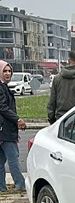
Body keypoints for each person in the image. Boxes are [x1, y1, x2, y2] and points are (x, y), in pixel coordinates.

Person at [0, 60, 27, 192]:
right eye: (4, 71)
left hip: (3, 130)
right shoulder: (0, 87)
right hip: (5, 130)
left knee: (1, 160)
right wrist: (18, 119)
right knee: (13, 157)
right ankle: (20, 184)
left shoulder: (4, 86)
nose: (7, 73)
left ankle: (1, 187)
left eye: (9, 71)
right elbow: (3, 108)